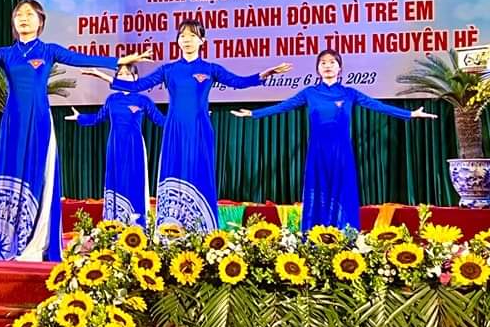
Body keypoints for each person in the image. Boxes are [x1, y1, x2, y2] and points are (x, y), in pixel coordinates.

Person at [0, 0, 151, 262]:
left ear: (40, 21)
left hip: (39, 122)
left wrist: (120, 60)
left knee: (38, 175)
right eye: (19, 15)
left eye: (29, 14)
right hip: (13, 123)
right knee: (12, 173)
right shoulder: (5, 54)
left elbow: (82, 59)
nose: (23, 18)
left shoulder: (48, 51)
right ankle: (7, 243)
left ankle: (35, 240)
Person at [110, 19, 291, 231]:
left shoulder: (210, 69)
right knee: (174, 171)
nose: (186, 40)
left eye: (192, 36)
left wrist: (264, 75)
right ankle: (169, 227)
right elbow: (138, 85)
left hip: (200, 129)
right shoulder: (168, 69)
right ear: (177, 41)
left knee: (199, 171)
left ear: (202, 41)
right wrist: (108, 75)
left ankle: (202, 228)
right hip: (175, 129)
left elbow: (239, 82)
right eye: (182, 36)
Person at [231, 49, 436, 231]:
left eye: (332, 62)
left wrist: (410, 114)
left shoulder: (349, 93)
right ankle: (314, 233)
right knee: (318, 188)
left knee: (343, 189)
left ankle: (345, 232)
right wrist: (253, 113)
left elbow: (378, 106)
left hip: (341, 152)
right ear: (317, 69)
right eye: (323, 63)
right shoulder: (310, 93)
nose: (327, 66)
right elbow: (283, 106)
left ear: (340, 68)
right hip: (317, 152)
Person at [66, 64, 165, 227]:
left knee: (134, 182)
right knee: (115, 180)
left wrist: (186, 121)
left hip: (134, 147)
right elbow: (98, 117)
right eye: (120, 74)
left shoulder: (143, 100)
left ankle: (138, 225)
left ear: (136, 78)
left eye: (127, 74)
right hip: (114, 146)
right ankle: (114, 224)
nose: (123, 76)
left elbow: (161, 120)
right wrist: (80, 117)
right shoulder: (112, 100)